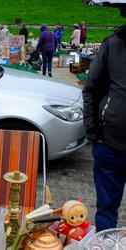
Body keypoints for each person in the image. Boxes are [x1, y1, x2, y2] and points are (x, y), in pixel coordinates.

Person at [82, 23, 126, 232]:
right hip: (110, 143)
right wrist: (94, 131)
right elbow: (91, 88)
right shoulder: (114, 44)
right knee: (107, 210)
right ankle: (105, 243)